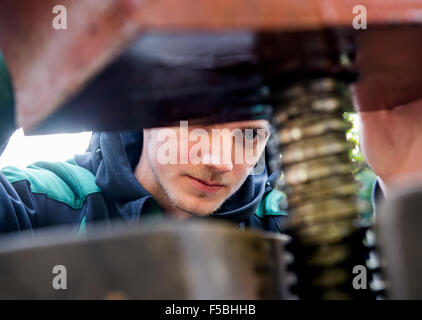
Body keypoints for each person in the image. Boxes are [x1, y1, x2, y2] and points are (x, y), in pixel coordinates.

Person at [0, 119, 287, 235]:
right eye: (195, 124)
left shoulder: (289, 222)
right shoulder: (36, 202)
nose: (220, 162)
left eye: (249, 135)